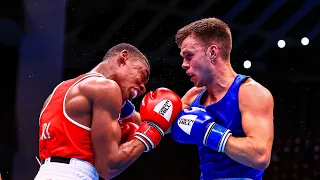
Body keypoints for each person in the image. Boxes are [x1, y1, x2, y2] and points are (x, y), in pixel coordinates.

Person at [34, 43, 183, 180]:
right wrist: (150, 134)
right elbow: (108, 167)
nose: (143, 87)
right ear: (124, 57)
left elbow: (152, 121)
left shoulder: (61, 89)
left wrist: (185, 103)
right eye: (143, 75)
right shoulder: (107, 88)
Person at [170, 17, 274, 180]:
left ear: (212, 52)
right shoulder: (194, 95)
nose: (183, 64)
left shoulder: (250, 93)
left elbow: (260, 156)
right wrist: (126, 112)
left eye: (189, 56)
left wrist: (209, 132)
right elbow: (159, 124)